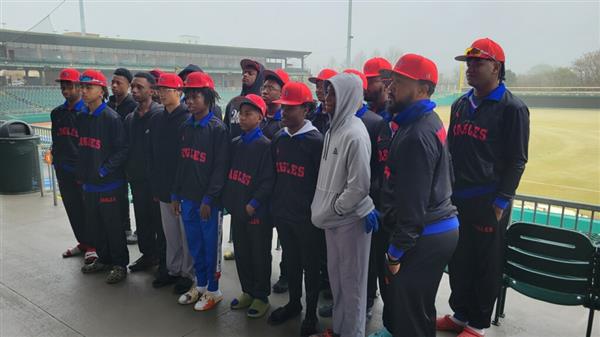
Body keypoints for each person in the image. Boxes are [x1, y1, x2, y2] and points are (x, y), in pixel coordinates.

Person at [438, 38, 530, 337]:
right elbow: (450, 150)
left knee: (485, 264)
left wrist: (502, 200)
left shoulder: (512, 108)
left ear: (497, 67)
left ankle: (478, 324)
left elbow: (517, 159)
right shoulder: (461, 104)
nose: (470, 68)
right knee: (459, 259)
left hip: (488, 200)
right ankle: (460, 314)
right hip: (458, 198)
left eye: (478, 62)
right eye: (469, 63)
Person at [373, 53, 459, 337]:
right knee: (414, 307)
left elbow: (413, 205)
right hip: (432, 228)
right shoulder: (420, 121)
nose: (390, 87)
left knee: (411, 314)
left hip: (424, 233)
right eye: (391, 80)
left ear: (422, 88)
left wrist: (396, 253)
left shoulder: (416, 134)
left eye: (398, 81)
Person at [310, 73, 376, 337]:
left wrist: (336, 207)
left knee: (352, 285)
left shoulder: (355, 134)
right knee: (338, 281)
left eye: (334, 93)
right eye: (326, 92)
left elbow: (359, 185)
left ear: (348, 96)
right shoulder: (332, 129)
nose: (327, 98)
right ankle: (339, 330)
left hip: (349, 220)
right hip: (331, 220)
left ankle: (352, 333)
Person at [267, 82, 325, 336]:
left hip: (307, 218)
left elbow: (322, 184)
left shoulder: (316, 142)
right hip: (284, 214)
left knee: (311, 267)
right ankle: (293, 303)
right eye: (283, 108)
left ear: (306, 109)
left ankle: (311, 313)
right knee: (290, 263)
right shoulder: (279, 138)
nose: (285, 113)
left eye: (291, 108)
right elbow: (274, 177)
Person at [172, 72, 229, 311]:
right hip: (187, 199)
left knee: (210, 246)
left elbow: (220, 168)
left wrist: (209, 198)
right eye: (188, 96)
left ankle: (214, 291)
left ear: (208, 98)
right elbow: (180, 163)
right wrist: (175, 195)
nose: (190, 101)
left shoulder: (218, 129)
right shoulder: (186, 127)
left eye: (195, 96)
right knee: (194, 244)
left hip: (208, 202)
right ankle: (201, 284)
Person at [223, 94, 274, 319]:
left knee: (259, 254)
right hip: (237, 210)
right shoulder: (235, 144)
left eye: (248, 114)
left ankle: (261, 296)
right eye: (240, 114)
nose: (242, 118)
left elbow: (268, 181)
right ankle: (247, 291)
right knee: (242, 252)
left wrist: (253, 205)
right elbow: (229, 176)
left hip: (256, 213)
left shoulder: (265, 146)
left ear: (260, 117)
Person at [77, 69, 129, 284]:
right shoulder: (82, 117)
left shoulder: (111, 118)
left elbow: (122, 150)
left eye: (88, 87)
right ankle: (104, 259)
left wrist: (103, 170)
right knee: (96, 226)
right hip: (89, 185)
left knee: (113, 227)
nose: (84, 91)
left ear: (101, 91)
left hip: (108, 185)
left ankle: (119, 265)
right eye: (82, 87)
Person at [148, 73, 195, 294]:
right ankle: (173, 269)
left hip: (183, 187)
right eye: (161, 89)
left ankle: (188, 274)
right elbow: (153, 155)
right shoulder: (156, 117)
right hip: (164, 185)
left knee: (186, 234)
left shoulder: (187, 118)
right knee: (171, 234)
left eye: (168, 89)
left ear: (179, 92)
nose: (163, 93)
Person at [52, 68, 97, 264]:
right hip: (63, 170)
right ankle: (83, 243)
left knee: (88, 209)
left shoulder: (87, 114)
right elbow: (56, 141)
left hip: (82, 171)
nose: (66, 90)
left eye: (69, 86)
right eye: (63, 87)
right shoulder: (57, 113)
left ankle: (94, 245)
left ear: (79, 87)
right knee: (72, 208)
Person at [124, 72, 165, 274]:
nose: (135, 90)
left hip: (157, 181)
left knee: (160, 223)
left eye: (140, 87)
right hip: (138, 180)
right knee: (142, 219)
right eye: (133, 86)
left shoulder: (160, 115)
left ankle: (164, 261)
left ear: (152, 90)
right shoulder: (130, 118)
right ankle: (148, 255)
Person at [107, 67, 138, 245]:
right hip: (113, 160)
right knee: (117, 196)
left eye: (119, 83)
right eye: (113, 82)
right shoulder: (109, 104)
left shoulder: (133, 106)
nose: (115, 86)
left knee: (134, 196)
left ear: (128, 85)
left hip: (130, 160)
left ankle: (134, 229)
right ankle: (122, 226)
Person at [224, 59, 266, 139]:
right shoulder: (233, 102)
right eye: (244, 73)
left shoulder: (264, 104)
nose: (245, 75)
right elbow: (225, 131)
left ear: (259, 78)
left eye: (250, 73)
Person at [260, 68, 290, 139]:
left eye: (270, 88)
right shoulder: (258, 116)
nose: (264, 92)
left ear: (282, 93)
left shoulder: (287, 122)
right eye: (264, 87)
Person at [307, 69, 337, 134]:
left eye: (323, 87)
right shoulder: (312, 116)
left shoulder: (339, 118)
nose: (318, 90)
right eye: (317, 87)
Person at [363, 57, 393, 122]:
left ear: (386, 83)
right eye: (365, 81)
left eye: (370, 82)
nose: (366, 86)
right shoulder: (363, 110)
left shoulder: (393, 115)